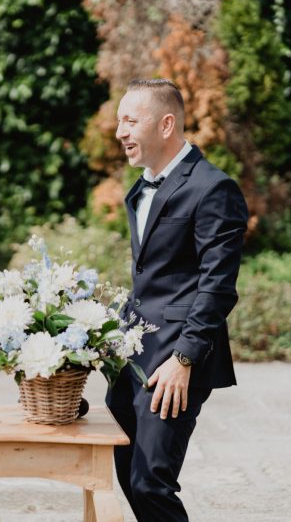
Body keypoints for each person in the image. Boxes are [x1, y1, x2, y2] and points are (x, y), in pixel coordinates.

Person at [108, 79, 248, 521]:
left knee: (151, 482)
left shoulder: (213, 188)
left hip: (175, 363)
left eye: (131, 120)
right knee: (130, 475)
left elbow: (217, 286)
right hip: (133, 358)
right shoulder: (141, 187)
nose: (120, 132)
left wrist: (184, 359)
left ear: (166, 124)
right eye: (119, 121)